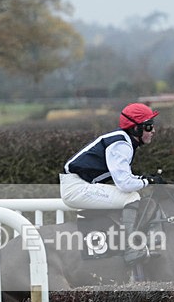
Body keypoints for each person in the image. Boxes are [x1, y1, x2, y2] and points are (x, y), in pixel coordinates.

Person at [60, 102, 164, 265]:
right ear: (136, 129)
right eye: (149, 127)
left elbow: (125, 178)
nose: (153, 131)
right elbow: (124, 184)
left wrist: (142, 179)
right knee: (131, 197)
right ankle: (131, 249)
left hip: (79, 184)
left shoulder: (123, 140)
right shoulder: (121, 144)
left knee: (131, 194)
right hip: (76, 188)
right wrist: (148, 181)